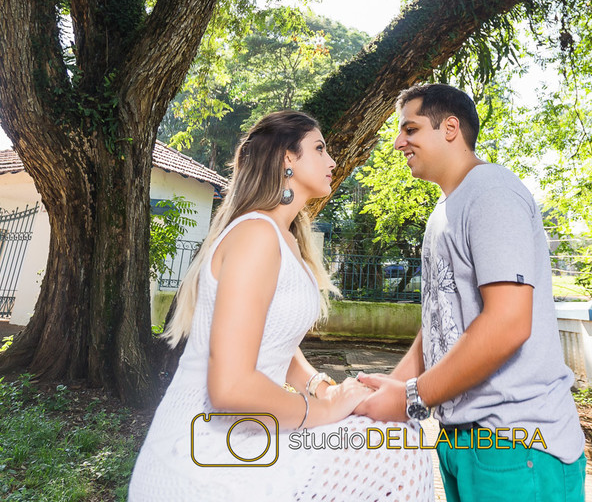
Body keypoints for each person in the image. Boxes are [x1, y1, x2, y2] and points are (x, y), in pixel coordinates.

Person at [129, 110, 434, 502]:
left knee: (397, 437)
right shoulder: (256, 234)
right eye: (320, 149)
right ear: (288, 159)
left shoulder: (286, 239)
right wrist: (323, 410)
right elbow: (232, 389)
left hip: (252, 433)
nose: (332, 161)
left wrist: (320, 386)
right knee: (396, 448)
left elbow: (275, 337)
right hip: (202, 449)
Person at [355, 84, 586, 502]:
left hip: (517, 443)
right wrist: (383, 392)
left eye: (410, 129)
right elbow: (438, 325)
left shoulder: (492, 192)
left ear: (450, 128)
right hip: (462, 442)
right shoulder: (442, 212)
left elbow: (507, 323)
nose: (397, 142)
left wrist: (411, 398)